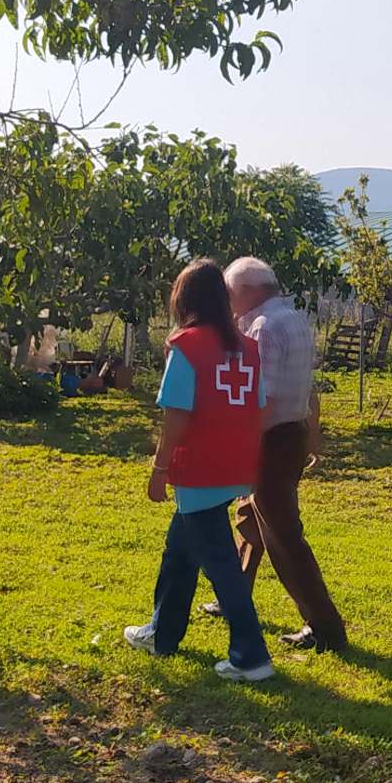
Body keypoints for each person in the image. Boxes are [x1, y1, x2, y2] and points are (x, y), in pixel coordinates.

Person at [123, 259, 275, 682]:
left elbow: (176, 414)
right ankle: (162, 634)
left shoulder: (187, 346)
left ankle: (251, 657)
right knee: (180, 550)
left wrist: (159, 468)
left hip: (199, 467)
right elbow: (260, 408)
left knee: (221, 564)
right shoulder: (247, 347)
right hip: (236, 464)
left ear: (184, 299)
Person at [203, 256, 348, 653]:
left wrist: (236, 443)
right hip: (290, 432)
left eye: (230, 292)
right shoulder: (294, 318)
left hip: (270, 439)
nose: (227, 301)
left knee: (283, 537)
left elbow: (258, 396)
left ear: (249, 291)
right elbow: (305, 387)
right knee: (252, 519)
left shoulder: (263, 327)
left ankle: (325, 627)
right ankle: (233, 595)